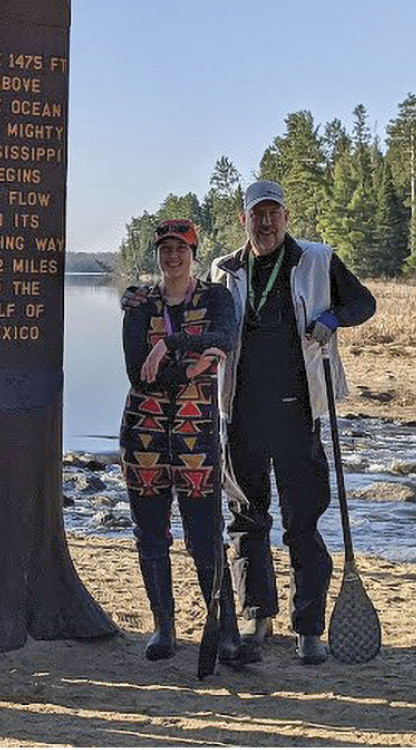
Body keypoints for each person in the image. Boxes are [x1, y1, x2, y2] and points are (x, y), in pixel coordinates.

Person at [209, 180, 376, 664]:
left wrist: (332, 319)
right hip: (240, 412)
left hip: (299, 411)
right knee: (247, 518)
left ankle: (309, 629)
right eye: (257, 214)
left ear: (286, 217)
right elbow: (207, 324)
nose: (265, 222)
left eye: (273, 213)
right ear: (244, 220)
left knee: (303, 521)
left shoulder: (319, 259)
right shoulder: (226, 270)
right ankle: (257, 616)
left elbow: (364, 303)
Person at [119, 218, 248, 665]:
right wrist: (192, 366)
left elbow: (226, 338)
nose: (172, 256)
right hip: (145, 432)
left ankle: (226, 630)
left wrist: (169, 344)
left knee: (205, 535)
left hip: (198, 435)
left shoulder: (216, 297)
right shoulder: (138, 303)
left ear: (194, 252)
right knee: (150, 533)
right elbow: (139, 372)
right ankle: (164, 626)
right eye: (165, 249)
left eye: (181, 248)